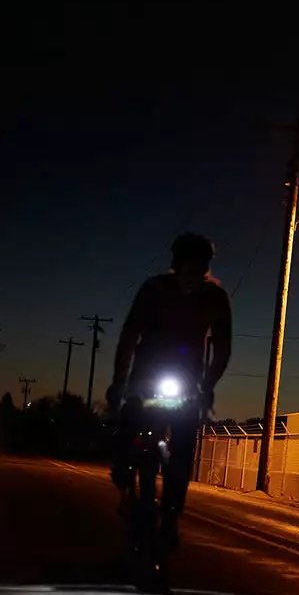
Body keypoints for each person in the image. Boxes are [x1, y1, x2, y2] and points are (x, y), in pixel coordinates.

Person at [106, 232, 232, 547]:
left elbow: (223, 349)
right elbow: (129, 336)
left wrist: (208, 386)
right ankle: (123, 473)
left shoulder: (215, 298)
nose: (192, 272)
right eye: (186, 264)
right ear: (176, 263)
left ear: (206, 268)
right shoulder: (154, 289)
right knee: (128, 424)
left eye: (198, 266)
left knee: (184, 447)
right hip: (145, 376)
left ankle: (173, 511)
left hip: (188, 383)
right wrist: (120, 381)